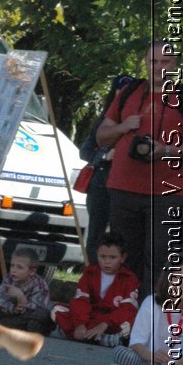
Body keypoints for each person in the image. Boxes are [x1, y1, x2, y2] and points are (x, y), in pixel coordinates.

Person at [95, 40, 183, 294]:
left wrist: (165, 151)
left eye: (164, 62)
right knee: (125, 259)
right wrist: (123, 127)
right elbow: (101, 136)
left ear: (175, 65)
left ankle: (151, 323)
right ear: (145, 63)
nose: (157, 68)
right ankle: (123, 320)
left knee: (160, 259)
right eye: (152, 62)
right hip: (123, 188)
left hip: (168, 192)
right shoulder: (128, 92)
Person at [105, 255, 183, 365]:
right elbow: (136, 343)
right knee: (120, 353)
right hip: (150, 363)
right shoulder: (151, 302)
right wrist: (151, 356)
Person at [76, 74, 134, 264]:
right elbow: (84, 152)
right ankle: (91, 274)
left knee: (122, 236)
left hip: (127, 187)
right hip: (100, 186)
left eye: (128, 91)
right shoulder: (102, 121)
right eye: (120, 90)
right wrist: (103, 156)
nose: (123, 95)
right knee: (96, 234)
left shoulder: (140, 121)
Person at [51, 232, 139, 347]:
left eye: (113, 257)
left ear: (122, 258)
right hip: (89, 317)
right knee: (57, 309)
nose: (107, 261)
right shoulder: (90, 272)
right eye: (102, 257)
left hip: (111, 321)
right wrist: (80, 324)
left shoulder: (129, 278)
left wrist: (105, 324)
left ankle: (78, 335)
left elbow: (128, 308)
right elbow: (81, 300)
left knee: (131, 321)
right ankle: (94, 337)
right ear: (97, 254)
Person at [0, 244, 53, 334]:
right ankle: (17, 326)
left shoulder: (40, 285)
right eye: (12, 265)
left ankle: (3, 325)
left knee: (43, 316)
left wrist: (21, 299)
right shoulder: (9, 279)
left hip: (28, 313)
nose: (13, 270)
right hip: (12, 312)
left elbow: (40, 307)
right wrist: (13, 308)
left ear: (32, 271)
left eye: (19, 267)